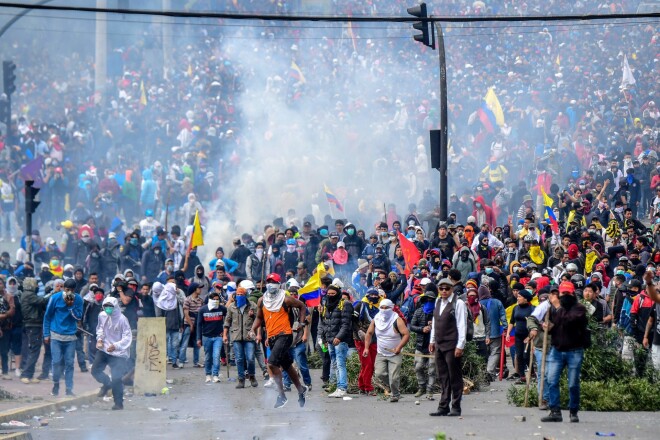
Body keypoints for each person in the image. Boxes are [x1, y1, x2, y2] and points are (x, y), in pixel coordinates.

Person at [251, 273, 308, 409]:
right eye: (269, 281)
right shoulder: (262, 300)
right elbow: (259, 318)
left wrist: (300, 324)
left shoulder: (285, 299)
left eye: (273, 282)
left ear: (279, 284)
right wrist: (252, 329)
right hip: (271, 337)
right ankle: (301, 389)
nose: (271, 284)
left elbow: (302, 306)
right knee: (287, 366)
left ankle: (282, 396)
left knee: (271, 364)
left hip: (285, 335)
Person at [541, 281, 589, 423]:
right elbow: (557, 326)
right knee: (551, 380)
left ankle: (573, 411)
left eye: (568, 293)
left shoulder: (579, 309)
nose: (565, 296)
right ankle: (555, 411)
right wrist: (548, 327)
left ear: (573, 293)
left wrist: (557, 306)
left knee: (573, 383)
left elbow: (569, 321)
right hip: (557, 350)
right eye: (563, 293)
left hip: (574, 351)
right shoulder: (555, 310)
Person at [429, 278, 467, 417]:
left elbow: (462, 325)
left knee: (454, 376)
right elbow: (434, 322)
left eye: (447, 288)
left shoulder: (458, 303)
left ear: (452, 289)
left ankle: (456, 407)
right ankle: (443, 406)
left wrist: (460, 345)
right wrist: (432, 340)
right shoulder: (437, 301)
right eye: (441, 288)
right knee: (443, 376)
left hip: (452, 344)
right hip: (439, 344)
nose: (444, 291)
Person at [363, 298, 409, 402]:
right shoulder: (376, 319)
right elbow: (369, 333)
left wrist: (399, 347)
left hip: (395, 353)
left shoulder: (397, 320)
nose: (384, 310)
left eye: (386, 308)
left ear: (391, 308)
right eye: (382, 308)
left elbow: (406, 334)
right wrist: (366, 348)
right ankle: (392, 386)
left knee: (394, 378)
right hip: (381, 353)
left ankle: (395, 394)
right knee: (379, 374)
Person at [43, 278, 83, 396]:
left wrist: (70, 306)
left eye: (71, 290)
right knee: (56, 362)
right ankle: (56, 384)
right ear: (63, 288)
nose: (68, 292)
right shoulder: (55, 298)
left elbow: (78, 317)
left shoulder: (78, 300)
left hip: (70, 336)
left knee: (69, 363)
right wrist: (46, 334)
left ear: (74, 290)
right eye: (66, 290)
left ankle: (69, 389)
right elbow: (47, 316)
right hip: (55, 335)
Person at [92, 296, 132, 410]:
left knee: (116, 378)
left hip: (118, 353)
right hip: (104, 348)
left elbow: (127, 337)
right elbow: (100, 328)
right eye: (106, 306)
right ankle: (106, 383)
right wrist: (99, 339)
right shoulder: (102, 315)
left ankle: (118, 403)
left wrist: (116, 346)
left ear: (115, 307)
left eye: (110, 307)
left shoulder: (122, 319)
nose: (108, 309)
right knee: (95, 370)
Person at [318, 283, 354, 398]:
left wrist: (339, 337)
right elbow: (325, 323)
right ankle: (338, 386)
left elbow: (346, 324)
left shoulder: (345, 304)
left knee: (340, 363)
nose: (330, 295)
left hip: (340, 340)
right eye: (328, 294)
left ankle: (342, 387)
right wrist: (324, 339)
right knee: (334, 364)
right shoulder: (326, 304)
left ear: (338, 293)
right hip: (329, 340)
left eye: (333, 294)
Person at [223, 286, 258, 388]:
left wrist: (253, 315)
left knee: (250, 358)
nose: (239, 296)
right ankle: (241, 379)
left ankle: (252, 376)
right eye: (238, 294)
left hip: (249, 336)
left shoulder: (252, 306)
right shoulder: (232, 307)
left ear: (245, 295)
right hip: (236, 336)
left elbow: (259, 320)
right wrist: (225, 335)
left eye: (241, 294)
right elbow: (227, 321)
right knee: (239, 359)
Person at [410, 284, 437, 400]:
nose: (429, 302)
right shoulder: (419, 312)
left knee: (432, 369)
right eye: (428, 300)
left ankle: (430, 390)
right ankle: (421, 387)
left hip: (434, 346)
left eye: (432, 300)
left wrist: (435, 326)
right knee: (418, 367)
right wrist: (422, 329)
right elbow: (411, 326)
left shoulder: (438, 312)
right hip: (420, 345)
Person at [351, 287, 380, 395]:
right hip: (361, 339)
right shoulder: (360, 305)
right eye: (371, 295)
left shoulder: (379, 307)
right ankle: (368, 387)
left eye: (375, 295)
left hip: (374, 338)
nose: (373, 297)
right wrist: (359, 331)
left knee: (370, 364)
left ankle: (362, 386)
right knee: (367, 363)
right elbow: (352, 321)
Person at [197, 289, 226, 383]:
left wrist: (225, 332)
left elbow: (228, 318)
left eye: (217, 299)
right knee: (208, 357)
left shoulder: (222, 309)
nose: (216, 301)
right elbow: (199, 324)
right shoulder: (203, 310)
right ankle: (208, 374)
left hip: (218, 336)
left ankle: (215, 375)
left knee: (216, 356)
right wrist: (198, 338)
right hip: (206, 337)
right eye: (214, 299)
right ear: (210, 300)